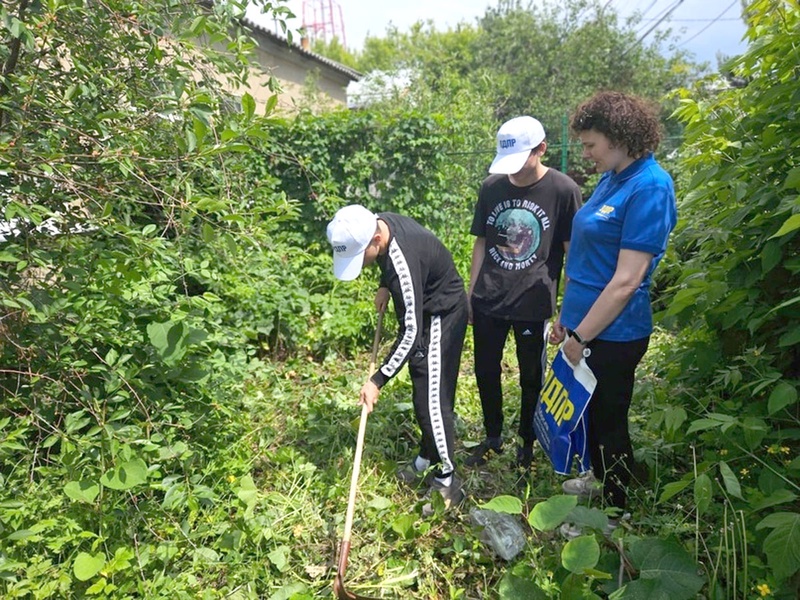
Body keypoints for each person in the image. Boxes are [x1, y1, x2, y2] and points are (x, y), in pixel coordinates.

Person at [551, 91, 677, 530]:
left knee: (609, 419)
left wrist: (581, 337)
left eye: (590, 145)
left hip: (615, 333)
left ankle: (615, 510)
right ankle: (598, 480)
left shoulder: (651, 187)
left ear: (619, 136)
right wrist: (568, 321)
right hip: (584, 325)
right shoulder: (613, 176)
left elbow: (625, 281)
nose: (585, 154)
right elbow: (587, 257)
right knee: (587, 411)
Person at [326, 204, 469, 514]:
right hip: (427, 310)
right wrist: (384, 285)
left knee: (432, 399)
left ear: (376, 240)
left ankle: (447, 478)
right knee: (421, 390)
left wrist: (378, 380)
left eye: (359, 255)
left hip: (441, 314)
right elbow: (389, 264)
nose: (359, 264)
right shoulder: (379, 225)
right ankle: (427, 457)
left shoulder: (400, 257)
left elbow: (411, 332)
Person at [466, 116, 582, 469]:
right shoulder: (492, 187)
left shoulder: (564, 191)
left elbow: (573, 252)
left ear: (541, 149)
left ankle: (527, 442)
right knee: (486, 369)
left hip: (534, 300)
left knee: (532, 374)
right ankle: (492, 436)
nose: (513, 173)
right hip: (489, 296)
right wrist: (472, 294)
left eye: (520, 162)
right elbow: (481, 243)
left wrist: (567, 309)